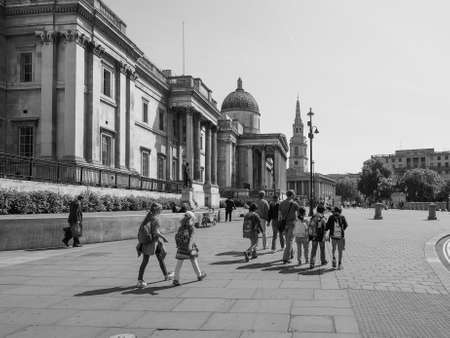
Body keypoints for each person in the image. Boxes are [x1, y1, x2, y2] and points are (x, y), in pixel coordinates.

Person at [136, 203, 174, 288]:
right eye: (161, 209)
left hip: (146, 242)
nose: (161, 211)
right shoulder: (156, 219)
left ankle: (140, 280)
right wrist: (164, 238)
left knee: (145, 261)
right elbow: (156, 232)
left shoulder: (148, 217)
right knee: (160, 259)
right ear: (157, 210)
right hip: (154, 243)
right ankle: (166, 276)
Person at [172, 211, 207, 286]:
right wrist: (190, 247)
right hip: (190, 247)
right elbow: (191, 238)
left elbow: (177, 236)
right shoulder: (191, 228)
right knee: (194, 261)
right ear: (191, 219)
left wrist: (178, 245)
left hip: (181, 247)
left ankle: (176, 279)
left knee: (179, 263)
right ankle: (199, 275)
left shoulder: (181, 227)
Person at [279, 190, 300, 264]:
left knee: (287, 239)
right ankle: (286, 258)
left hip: (284, 224)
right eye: (294, 194)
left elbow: (280, 215)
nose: (294, 195)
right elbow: (300, 213)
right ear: (291, 195)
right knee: (289, 241)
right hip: (292, 223)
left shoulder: (281, 203)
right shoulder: (294, 203)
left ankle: (291, 254)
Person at [309, 205, 328, 269]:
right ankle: (323, 260)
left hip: (314, 235)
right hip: (321, 236)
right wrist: (325, 235)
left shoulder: (313, 217)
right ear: (323, 211)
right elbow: (325, 228)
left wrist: (310, 235)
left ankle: (312, 263)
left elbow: (310, 226)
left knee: (313, 249)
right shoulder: (323, 218)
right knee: (322, 248)